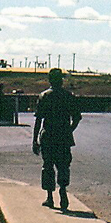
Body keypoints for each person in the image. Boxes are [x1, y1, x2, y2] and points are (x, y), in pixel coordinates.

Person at [32, 68, 82, 210]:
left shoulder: (44, 96)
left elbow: (38, 120)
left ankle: (50, 197)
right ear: (61, 80)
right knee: (63, 166)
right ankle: (63, 191)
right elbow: (77, 118)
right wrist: (69, 130)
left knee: (48, 166)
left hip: (48, 136)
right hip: (63, 137)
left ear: (50, 80)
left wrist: (35, 140)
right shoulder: (68, 96)